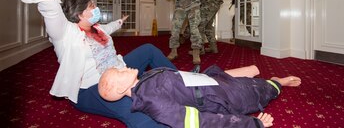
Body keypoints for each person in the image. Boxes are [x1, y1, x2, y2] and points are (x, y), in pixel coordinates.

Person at [11, 0, 177, 128]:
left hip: (119, 70)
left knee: (149, 49)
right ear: (80, 13)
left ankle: (181, 81)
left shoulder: (97, 29)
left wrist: (120, 21)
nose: (96, 7)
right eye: (92, 5)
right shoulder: (65, 33)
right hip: (91, 88)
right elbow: (48, 2)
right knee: (139, 111)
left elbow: (109, 28)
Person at [98, 64, 301, 128]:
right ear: (119, 89)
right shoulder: (153, 102)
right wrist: (252, 124)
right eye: (119, 72)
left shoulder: (145, 79)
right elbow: (202, 122)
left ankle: (271, 81)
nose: (123, 67)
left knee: (249, 82)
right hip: (226, 99)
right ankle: (279, 82)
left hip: (214, 83)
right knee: (260, 91)